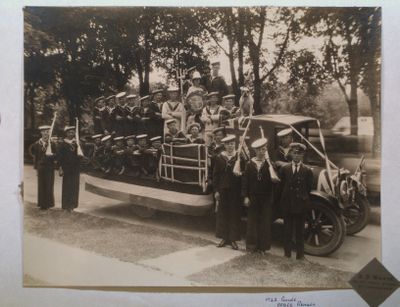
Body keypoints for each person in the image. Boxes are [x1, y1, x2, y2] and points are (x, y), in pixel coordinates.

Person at [278, 142, 313, 260]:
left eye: (300, 154)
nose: (297, 156)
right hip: (287, 204)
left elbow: (308, 189)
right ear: (291, 154)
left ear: (302, 156)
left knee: (300, 231)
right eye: (295, 153)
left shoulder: (307, 171)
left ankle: (300, 255)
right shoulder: (285, 169)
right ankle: (287, 254)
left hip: (300, 205)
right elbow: (280, 187)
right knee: (287, 230)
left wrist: (304, 201)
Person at [242, 138, 274, 254]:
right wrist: (245, 196)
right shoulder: (250, 164)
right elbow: (245, 181)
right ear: (255, 151)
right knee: (252, 222)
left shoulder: (269, 164)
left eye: (264, 149)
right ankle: (251, 247)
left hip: (265, 198)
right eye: (260, 150)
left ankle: (263, 247)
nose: (262, 152)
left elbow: (273, 182)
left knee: (264, 222)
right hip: (253, 197)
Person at [213, 134, 244, 250]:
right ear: (224, 146)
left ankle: (233, 239)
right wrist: (216, 190)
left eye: (232, 144)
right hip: (223, 189)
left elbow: (244, 172)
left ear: (234, 145)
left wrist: (240, 174)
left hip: (235, 190)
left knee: (234, 214)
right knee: (223, 213)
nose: (230, 146)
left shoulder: (239, 156)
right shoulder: (220, 157)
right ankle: (224, 238)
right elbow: (215, 175)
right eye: (228, 144)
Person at [57, 126, 83, 212]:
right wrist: (60, 167)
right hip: (66, 168)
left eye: (73, 132)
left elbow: (80, 155)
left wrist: (79, 145)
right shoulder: (62, 143)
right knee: (67, 186)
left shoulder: (77, 143)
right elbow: (59, 157)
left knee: (74, 186)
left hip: (75, 168)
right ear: (66, 133)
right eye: (69, 132)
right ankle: (66, 205)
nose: (71, 134)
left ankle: (73, 205)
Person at [31, 125, 56, 210]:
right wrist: (36, 167)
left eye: (48, 131)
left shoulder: (52, 144)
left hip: (49, 167)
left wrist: (52, 155)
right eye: (45, 131)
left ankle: (49, 204)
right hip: (41, 167)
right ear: (41, 132)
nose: (46, 133)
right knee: (41, 186)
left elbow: (57, 155)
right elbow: (35, 156)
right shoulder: (37, 144)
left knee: (49, 185)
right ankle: (42, 204)